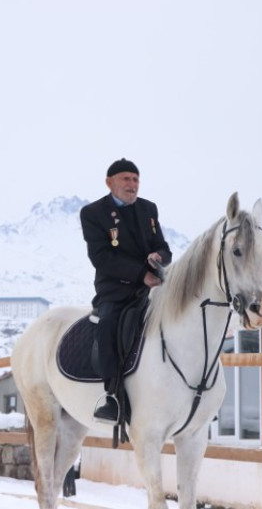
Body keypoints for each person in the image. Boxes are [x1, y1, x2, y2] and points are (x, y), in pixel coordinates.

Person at [80, 158, 172, 423]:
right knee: (108, 322)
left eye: (135, 179)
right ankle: (112, 396)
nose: (132, 185)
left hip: (153, 286)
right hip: (115, 289)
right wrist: (140, 275)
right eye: (126, 179)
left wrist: (159, 257)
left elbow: (163, 246)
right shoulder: (93, 213)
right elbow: (101, 257)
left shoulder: (148, 208)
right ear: (110, 183)